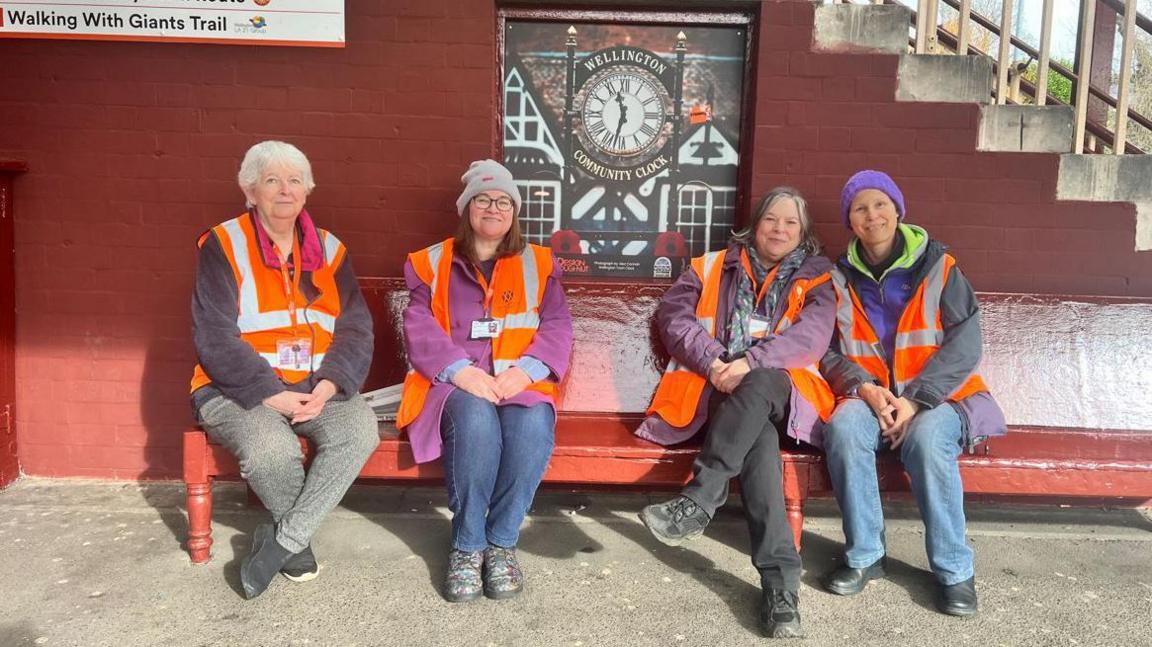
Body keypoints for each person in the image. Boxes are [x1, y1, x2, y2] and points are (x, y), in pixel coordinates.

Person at [636, 187, 836, 639]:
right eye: (771, 220)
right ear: (755, 224)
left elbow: (812, 338)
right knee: (758, 445)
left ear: (803, 232)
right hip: (727, 396)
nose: (780, 229)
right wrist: (713, 362)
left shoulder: (818, 278)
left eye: (790, 222)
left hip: (789, 398)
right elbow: (674, 318)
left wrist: (748, 364)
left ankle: (702, 496)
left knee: (761, 382)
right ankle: (782, 588)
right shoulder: (710, 267)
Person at [190, 141, 378, 599]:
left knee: (360, 432)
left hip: (316, 385)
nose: (284, 190)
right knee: (270, 450)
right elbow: (213, 336)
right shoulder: (223, 243)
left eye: (294, 180)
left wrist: (330, 384)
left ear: (308, 191)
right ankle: (295, 546)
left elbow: (356, 329)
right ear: (250, 190)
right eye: (271, 180)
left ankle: (281, 542)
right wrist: (269, 392)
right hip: (235, 388)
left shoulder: (330, 251)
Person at [819, 170, 1006, 617]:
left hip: (942, 398)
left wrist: (915, 401)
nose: (872, 215)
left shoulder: (940, 266)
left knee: (926, 439)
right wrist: (863, 388)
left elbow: (966, 344)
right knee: (843, 426)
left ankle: (954, 571)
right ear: (851, 221)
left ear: (898, 210)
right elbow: (823, 350)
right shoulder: (837, 278)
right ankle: (866, 556)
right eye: (860, 208)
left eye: (880, 204)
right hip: (872, 399)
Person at [397, 159, 573, 603]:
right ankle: (468, 544)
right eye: (483, 199)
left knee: (532, 426)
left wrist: (526, 371)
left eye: (503, 201)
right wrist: (462, 372)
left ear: (514, 212)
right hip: (455, 384)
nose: (493, 208)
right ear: (467, 207)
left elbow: (558, 325)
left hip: (520, 381)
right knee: (475, 423)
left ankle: (501, 542)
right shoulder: (431, 263)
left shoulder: (539, 263)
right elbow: (419, 326)